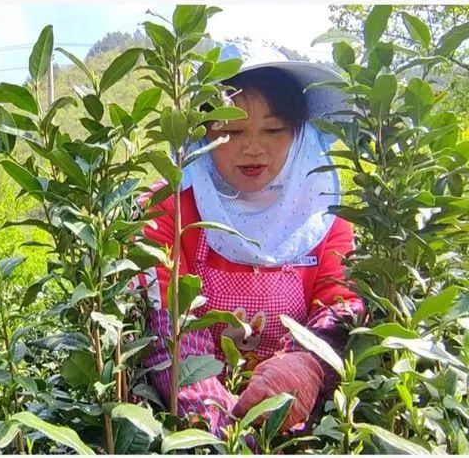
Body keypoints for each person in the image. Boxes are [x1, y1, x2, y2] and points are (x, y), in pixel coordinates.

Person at [133, 42, 365, 435]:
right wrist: (224, 430)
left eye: (274, 130)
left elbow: (340, 303)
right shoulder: (169, 206)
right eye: (232, 130)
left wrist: (309, 363)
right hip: (190, 428)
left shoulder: (323, 215)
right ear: (202, 133)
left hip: (295, 426)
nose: (253, 148)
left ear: (300, 133)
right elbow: (167, 327)